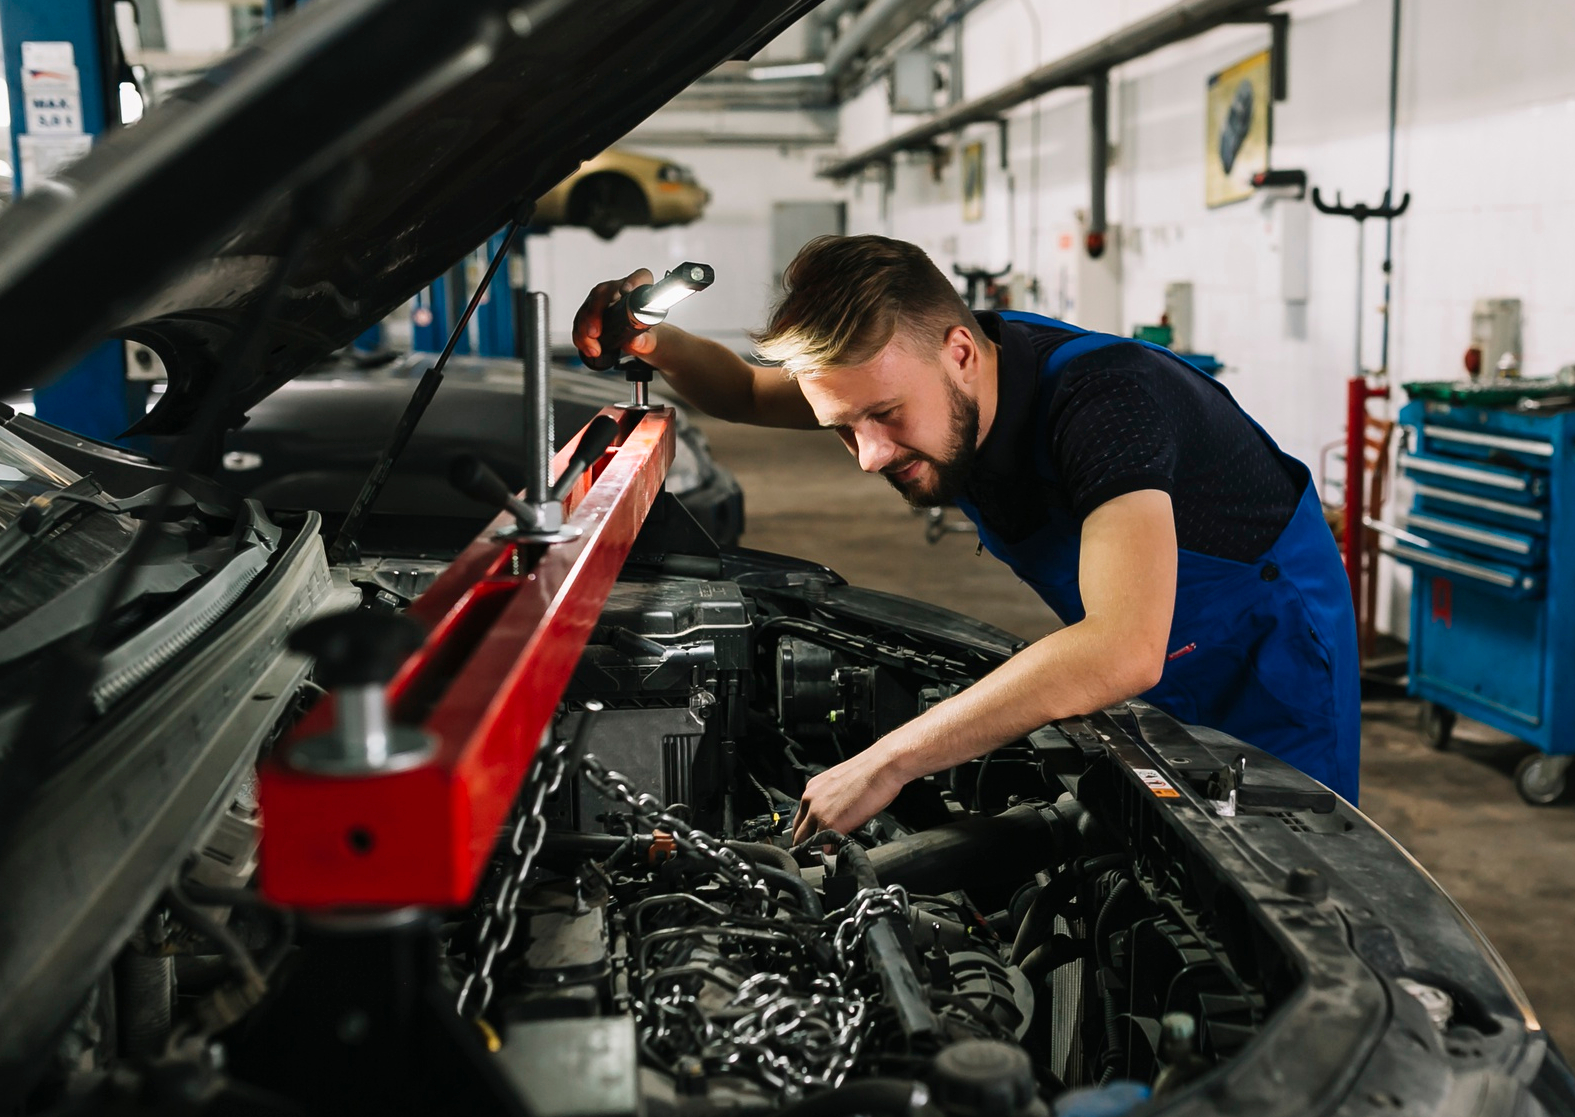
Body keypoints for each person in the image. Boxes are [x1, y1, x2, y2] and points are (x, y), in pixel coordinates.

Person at [573, 235, 1359, 841]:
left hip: (1266, 660)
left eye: (883, 415)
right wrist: (654, 342)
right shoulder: (932, 372)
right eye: (841, 428)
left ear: (958, 350)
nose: (870, 455)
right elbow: (744, 387)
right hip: (1153, 652)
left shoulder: (1107, 405)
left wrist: (886, 761)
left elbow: (1121, 648)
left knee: (1282, 879)